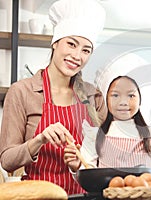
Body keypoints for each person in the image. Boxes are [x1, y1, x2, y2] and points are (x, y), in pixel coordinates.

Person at [0, 0, 107, 195]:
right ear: (55, 43)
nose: (77, 56)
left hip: (83, 196)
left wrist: (79, 165)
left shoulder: (94, 96)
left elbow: (107, 160)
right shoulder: (22, 91)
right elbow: (7, 160)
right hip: (37, 197)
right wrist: (39, 140)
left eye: (86, 50)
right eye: (71, 44)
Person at [64, 76, 151, 199]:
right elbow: (89, 173)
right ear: (107, 101)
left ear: (140, 101)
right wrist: (76, 167)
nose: (123, 102)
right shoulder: (95, 135)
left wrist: (149, 192)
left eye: (131, 96)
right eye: (115, 95)